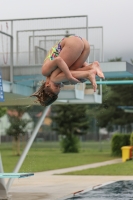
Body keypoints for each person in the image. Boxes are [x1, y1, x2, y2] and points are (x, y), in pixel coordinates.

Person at [30, 35, 104, 106]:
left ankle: (89, 73)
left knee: (57, 77)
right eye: (60, 87)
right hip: (84, 45)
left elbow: (58, 60)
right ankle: (92, 67)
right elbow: (74, 63)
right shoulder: (56, 73)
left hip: (74, 43)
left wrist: (69, 77)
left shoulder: (45, 71)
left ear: (47, 84)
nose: (59, 85)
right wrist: (82, 75)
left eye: (56, 86)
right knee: (67, 75)